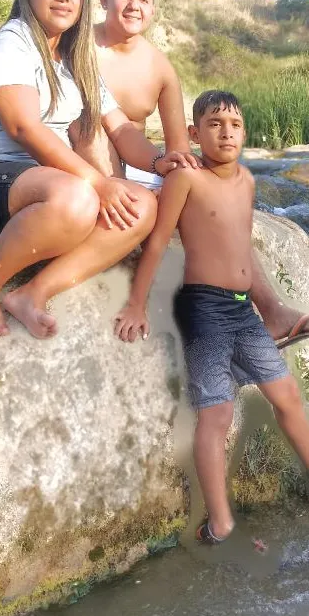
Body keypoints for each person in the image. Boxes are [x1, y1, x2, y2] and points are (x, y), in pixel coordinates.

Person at [0, 0, 309, 348]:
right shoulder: (48, 42)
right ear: (104, 0)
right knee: (87, 159)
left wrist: (165, 166)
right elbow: (21, 125)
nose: (133, 6)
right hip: (58, 171)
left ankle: (270, 311)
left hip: (88, 171)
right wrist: (100, 182)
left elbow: (143, 136)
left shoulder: (116, 63)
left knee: (194, 197)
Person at [0, 0, 194, 341]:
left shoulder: (76, 63)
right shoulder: (13, 41)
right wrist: (99, 183)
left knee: (142, 206)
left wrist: (160, 161)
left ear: (83, 1)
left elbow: (121, 131)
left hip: (44, 188)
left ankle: (32, 293)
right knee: (79, 196)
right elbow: (23, 127)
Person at [114, 89, 309, 543]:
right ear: (193, 133)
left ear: (245, 133)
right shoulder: (188, 178)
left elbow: (242, 247)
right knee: (217, 415)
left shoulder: (246, 181)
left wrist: (269, 307)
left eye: (235, 125)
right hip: (205, 309)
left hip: (243, 311)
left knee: (287, 398)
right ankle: (220, 520)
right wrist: (136, 303)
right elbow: (159, 239)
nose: (226, 132)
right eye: (215, 124)